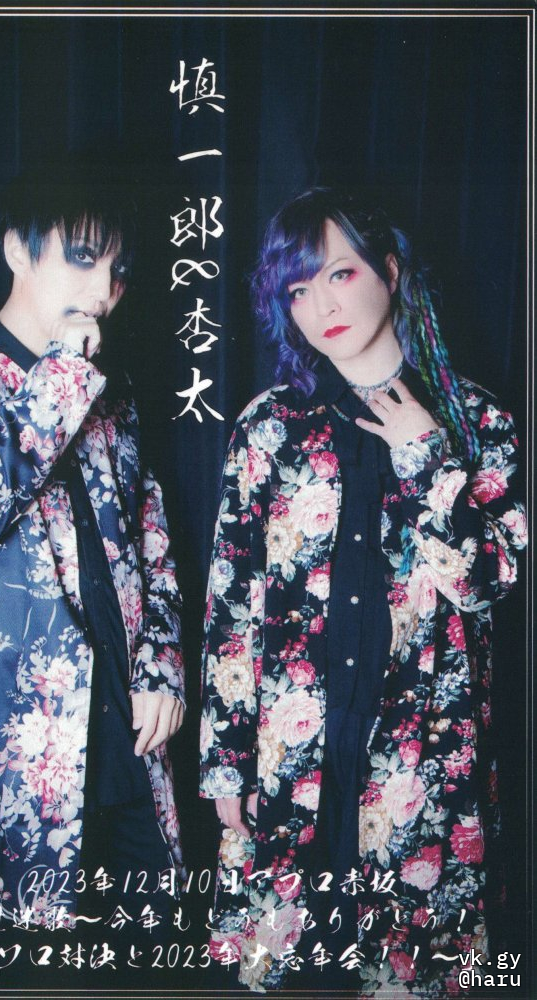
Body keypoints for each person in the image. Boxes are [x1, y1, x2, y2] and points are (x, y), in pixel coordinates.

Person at [199, 188, 526, 995]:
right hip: (292, 758)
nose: (320, 307)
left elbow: (488, 585)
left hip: (421, 762)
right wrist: (225, 764)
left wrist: (425, 457)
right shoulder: (268, 426)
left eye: (339, 274)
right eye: (297, 289)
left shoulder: (476, 422)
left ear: (388, 270)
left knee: (406, 971)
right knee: (289, 971)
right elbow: (231, 606)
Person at [0, 156, 186, 964]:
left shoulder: (110, 390)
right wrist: (62, 376)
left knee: (142, 956)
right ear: (18, 248)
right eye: (82, 258)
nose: (102, 289)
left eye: (116, 270)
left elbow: (150, 539)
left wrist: (161, 665)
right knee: (13, 965)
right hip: (0, 740)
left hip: (121, 728)